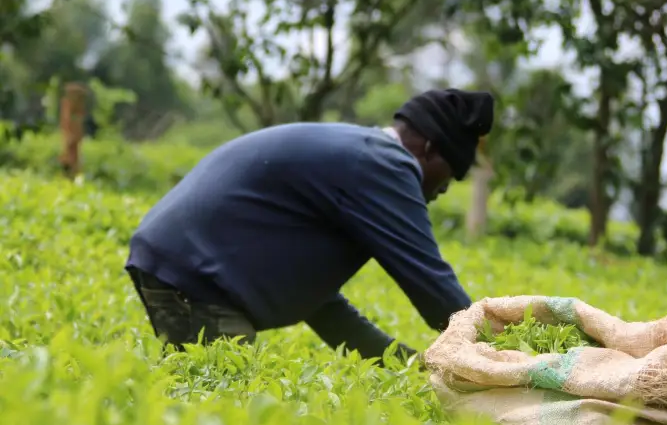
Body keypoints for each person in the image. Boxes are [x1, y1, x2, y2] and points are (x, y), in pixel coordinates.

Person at [124, 88, 494, 365]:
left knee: (214, 400)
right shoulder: (385, 165)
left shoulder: (358, 162)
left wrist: (413, 368)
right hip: (198, 275)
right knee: (221, 407)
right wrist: (500, 354)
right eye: (452, 174)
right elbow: (432, 285)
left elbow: (323, 309)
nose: (444, 189)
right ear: (428, 148)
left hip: (181, 262)